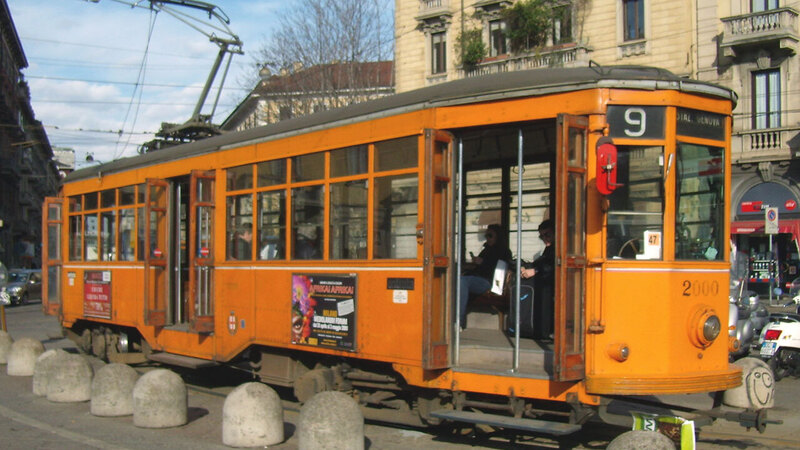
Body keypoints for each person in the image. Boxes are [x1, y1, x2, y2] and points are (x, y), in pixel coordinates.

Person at [459, 224, 512, 327]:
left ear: (498, 236)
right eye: (486, 236)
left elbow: (500, 268)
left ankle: (459, 321)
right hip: (477, 277)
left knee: (462, 281)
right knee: (455, 279)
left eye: (490, 235)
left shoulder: (504, 251)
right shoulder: (486, 249)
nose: (487, 238)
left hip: (489, 281)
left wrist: (483, 262)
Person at [520, 219, 555, 339]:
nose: (545, 238)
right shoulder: (549, 248)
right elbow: (542, 262)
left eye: (548, 235)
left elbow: (554, 267)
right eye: (542, 236)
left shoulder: (559, 247)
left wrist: (535, 271)